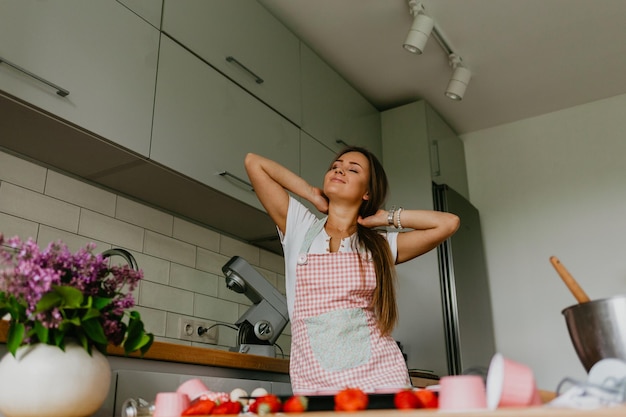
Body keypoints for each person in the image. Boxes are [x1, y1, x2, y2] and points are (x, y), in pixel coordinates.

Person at [244, 147, 460, 394]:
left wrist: (386, 218)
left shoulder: (380, 245)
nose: (340, 169)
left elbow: (448, 223)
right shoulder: (300, 227)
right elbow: (254, 163)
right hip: (314, 378)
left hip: (380, 375)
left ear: (367, 192)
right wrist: (311, 194)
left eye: (352, 169)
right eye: (336, 165)